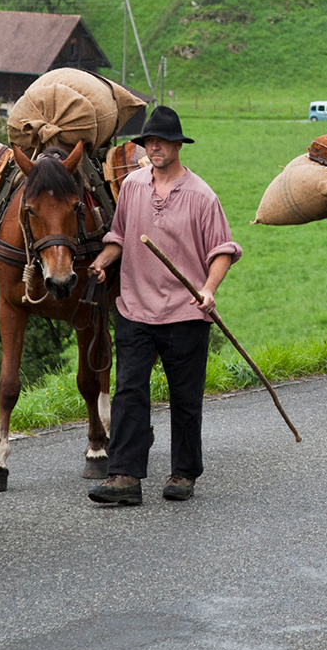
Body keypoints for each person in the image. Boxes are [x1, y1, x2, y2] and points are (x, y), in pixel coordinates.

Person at [87, 106, 241, 506]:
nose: (153, 147)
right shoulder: (134, 186)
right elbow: (117, 237)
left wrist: (208, 289)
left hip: (186, 312)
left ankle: (183, 473)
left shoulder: (202, 196)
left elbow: (222, 250)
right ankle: (124, 476)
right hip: (135, 307)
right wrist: (102, 264)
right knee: (129, 392)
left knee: (184, 398)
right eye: (148, 141)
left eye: (161, 141)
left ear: (177, 145)